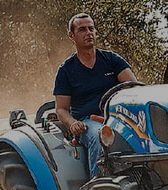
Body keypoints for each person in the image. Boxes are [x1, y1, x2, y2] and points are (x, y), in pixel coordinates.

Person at [53, 13, 138, 177]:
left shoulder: (111, 59)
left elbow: (133, 88)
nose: (89, 33)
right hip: (88, 122)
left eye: (91, 28)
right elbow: (61, 109)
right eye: (82, 29)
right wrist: (73, 124)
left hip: (118, 116)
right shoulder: (66, 70)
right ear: (72, 36)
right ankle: (100, 184)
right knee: (100, 135)